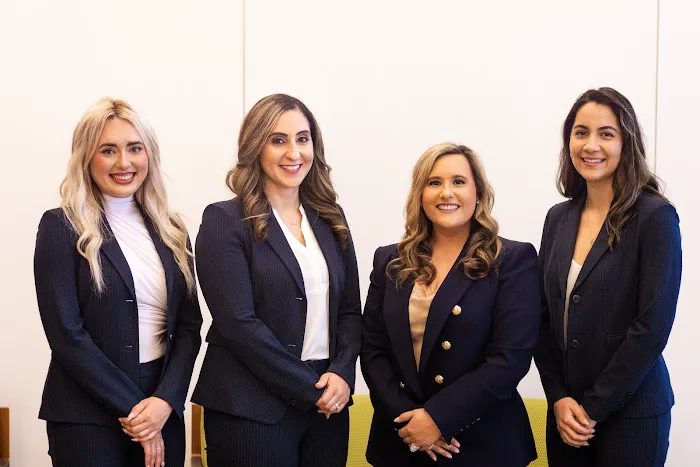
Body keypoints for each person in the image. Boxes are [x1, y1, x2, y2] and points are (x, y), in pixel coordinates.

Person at [192, 93, 362, 466]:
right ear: (256, 146)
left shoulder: (330, 218)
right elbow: (239, 324)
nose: (293, 153)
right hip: (250, 408)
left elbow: (350, 311)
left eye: (302, 139)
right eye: (278, 140)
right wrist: (308, 388)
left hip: (327, 404)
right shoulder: (225, 220)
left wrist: (342, 373)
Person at [34, 98, 202, 467]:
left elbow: (189, 327)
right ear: (86, 157)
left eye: (135, 148)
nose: (124, 163)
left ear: (149, 154)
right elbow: (66, 335)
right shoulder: (60, 227)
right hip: (85, 414)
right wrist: (135, 409)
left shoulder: (172, 229)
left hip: (160, 405)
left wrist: (164, 401)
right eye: (108, 150)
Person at [360, 143, 540, 466]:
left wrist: (439, 419)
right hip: (401, 442)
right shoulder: (389, 261)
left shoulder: (511, 260)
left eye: (458, 181)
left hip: (480, 444)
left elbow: (509, 358)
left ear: (478, 193)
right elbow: (373, 349)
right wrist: (409, 422)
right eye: (434, 182)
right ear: (420, 194)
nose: (446, 193)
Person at [534, 87, 682, 466]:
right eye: (581, 132)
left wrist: (593, 408)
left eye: (606, 134)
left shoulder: (654, 217)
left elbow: (651, 328)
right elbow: (542, 317)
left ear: (626, 143)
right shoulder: (558, 218)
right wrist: (558, 398)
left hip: (631, 415)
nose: (591, 145)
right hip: (566, 415)